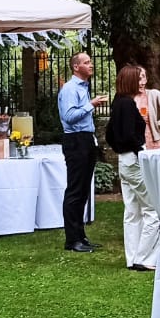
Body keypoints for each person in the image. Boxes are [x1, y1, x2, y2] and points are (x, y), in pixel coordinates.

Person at [106, 65, 159, 271]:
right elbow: (129, 134)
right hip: (133, 161)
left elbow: (111, 134)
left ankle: (132, 257)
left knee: (132, 211)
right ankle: (144, 257)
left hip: (123, 160)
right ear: (130, 81)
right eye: (138, 79)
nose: (142, 82)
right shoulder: (127, 104)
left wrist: (122, 150)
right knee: (152, 209)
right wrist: (139, 150)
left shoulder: (117, 102)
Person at [57, 52, 106, 253]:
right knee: (75, 190)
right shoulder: (70, 89)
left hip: (86, 139)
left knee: (84, 190)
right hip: (76, 140)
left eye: (90, 62)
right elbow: (69, 117)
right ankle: (72, 239)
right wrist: (91, 105)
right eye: (86, 62)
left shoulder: (83, 88)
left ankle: (81, 236)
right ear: (76, 67)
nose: (91, 65)